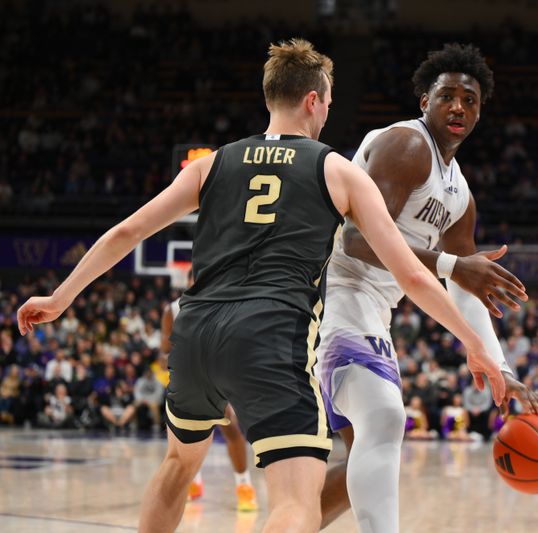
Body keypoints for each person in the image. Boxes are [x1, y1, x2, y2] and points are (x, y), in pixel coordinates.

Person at [16, 39, 504, 533]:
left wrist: (61, 297)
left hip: (195, 333)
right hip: (271, 337)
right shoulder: (335, 169)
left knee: (178, 465)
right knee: (296, 504)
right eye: (328, 101)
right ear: (313, 100)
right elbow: (411, 273)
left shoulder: (211, 163)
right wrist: (473, 342)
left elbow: (127, 232)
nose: (329, 111)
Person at [317, 43, 538, 533]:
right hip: (329, 292)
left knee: (361, 461)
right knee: (384, 419)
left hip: (370, 306)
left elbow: (467, 290)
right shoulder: (406, 146)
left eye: (470, 101)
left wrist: (499, 368)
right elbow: (356, 239)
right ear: (424, 100)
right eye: (447, 96)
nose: (458, 107)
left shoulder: (459, 193)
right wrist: (452, 264)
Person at [159, 270, 259, 512]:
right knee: (184, 436)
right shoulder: (173, 309)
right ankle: (194, 482)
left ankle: (244, 484)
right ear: (189, 282)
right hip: (187, 375)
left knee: (231, 427)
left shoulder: (226, 302)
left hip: (221, 373)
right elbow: (164, 350)